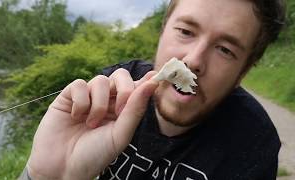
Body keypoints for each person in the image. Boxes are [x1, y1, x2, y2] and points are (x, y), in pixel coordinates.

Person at [20, 0, 286, 179]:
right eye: (185, 31)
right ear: (162, 32)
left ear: (245, 70)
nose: (193, 60)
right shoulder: (108, 92)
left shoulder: (254, 144)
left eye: (225, 50)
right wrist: (46, 175)